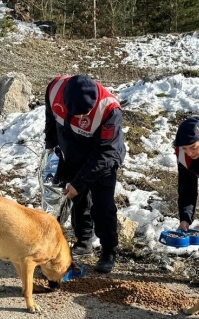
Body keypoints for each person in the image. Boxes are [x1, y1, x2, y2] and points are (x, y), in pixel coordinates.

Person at [44, 74, 126, 274]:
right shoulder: (54, 89)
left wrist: (79, 181)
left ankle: (108, 251)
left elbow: (105, 153)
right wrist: (50, 144)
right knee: (78, 200)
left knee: (102, 205)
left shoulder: (109, 110)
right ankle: (83, 240)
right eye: (76, 114)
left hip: (102, 157)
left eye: (84, 115)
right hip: (72, 152)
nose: (81, 118)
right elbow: (50, 118)